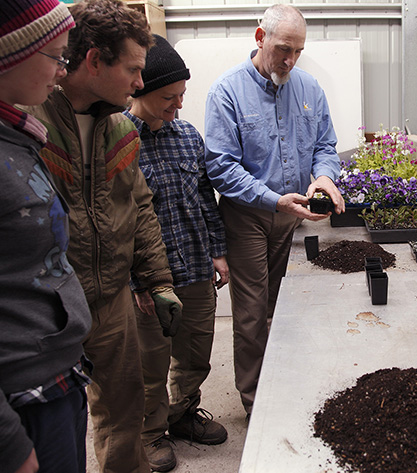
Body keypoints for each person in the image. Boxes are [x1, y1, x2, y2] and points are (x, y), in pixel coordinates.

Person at [23, 1, 183, 472]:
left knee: (124, 407)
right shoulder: (30, 124)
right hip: (51, 305)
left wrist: (158, 281)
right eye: (133, 70)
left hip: (111, 298)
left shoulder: (119, 129)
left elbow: (138, 207)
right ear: (94, 60)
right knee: (58, 421)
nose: (140, 83)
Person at [204, 4, 345, 416]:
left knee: (279, 306)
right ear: (259, 37)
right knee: (250, 312)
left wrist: (324, 177)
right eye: (283, 48)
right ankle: (255, 402)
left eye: (298, 51)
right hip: (247, 216)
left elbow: (324, 146)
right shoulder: (227, 92)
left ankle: (279, 380)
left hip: (291, 215)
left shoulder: (308, 89)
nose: (290, 59)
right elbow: (221, 166)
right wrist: (273, 199)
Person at [124, 35, 230, 472]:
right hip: (149, 282)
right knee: (149, 364)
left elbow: (206, 198)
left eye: (182, 96)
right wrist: (137, 283)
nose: (178, 106)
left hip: (195, 267)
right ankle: (150, 433)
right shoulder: (117, 142)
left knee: (195, 352)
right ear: (138, 90)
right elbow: (115, 225)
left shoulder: (187, 136)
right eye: (169, 97)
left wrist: (218, 253)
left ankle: (183, 412)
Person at [0, 1, 93, 472]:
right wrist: (10, 445)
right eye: (56, 56)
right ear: (11, 54)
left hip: (54, 375)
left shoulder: (17, 136)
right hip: (21, 398)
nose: (62, 70)